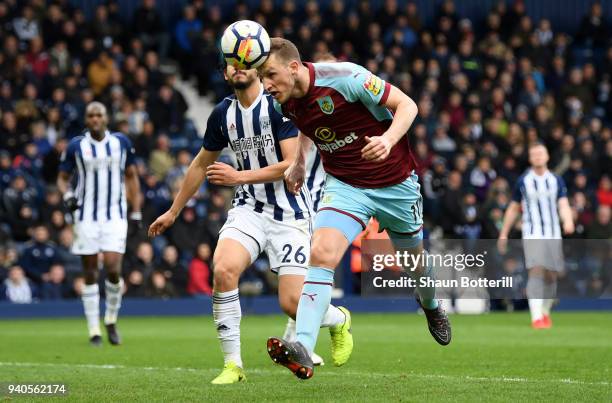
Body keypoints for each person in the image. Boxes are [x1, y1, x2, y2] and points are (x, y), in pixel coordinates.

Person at [258, 38, 451, 380]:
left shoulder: (346, 77)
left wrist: (388, 140)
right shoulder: (281, 102)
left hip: (396, 184)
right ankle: (303, 345)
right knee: (321, 252)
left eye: (269, 74)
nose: (265, 84)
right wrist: (301, 161)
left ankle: (431, 306)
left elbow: (408, 105)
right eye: (261, 77)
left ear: (293, 67)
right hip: (346, 187)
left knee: (416, 266)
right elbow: (308, 125)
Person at [148, 63, 350, 384]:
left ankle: (338, 319)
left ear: (258, 69)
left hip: (290, 212)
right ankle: (233, 366)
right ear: (226, 74)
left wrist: (237, 176)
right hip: (249, 209)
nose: (238, 69)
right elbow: (201, 163)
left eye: (244, 63)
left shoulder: (277, 106)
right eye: (231, 64)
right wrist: (173, 210)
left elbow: (288, 164)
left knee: (292, 303)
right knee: (223, 269)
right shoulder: (222, 114)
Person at [57, 102, 143, 346]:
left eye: (99, 114)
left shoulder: (121, 143)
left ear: (106, 119)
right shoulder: (76, 146)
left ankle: (111, 319)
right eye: (91, 115)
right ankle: (94, 329)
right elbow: (62, 178)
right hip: (86, 216)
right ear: (87, 119)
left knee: (114, 269)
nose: (95, 119)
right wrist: (67, 195)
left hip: (115, 215)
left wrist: (136, 211)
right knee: (90, 272)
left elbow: (132, 177)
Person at [498, 142, 574, 329]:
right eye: (534, 154)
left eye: (541, 153)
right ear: (530, 158)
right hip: (532, 232)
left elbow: (563, 204)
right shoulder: (524, 181)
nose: (538, 156)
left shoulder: (556, 180)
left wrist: (568, 220)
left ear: (547, 156)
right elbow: (514, 208)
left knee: (551, 275)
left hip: (553, 232)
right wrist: (504, 233)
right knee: (535, 269)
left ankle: (545, 311)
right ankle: (536, 317)